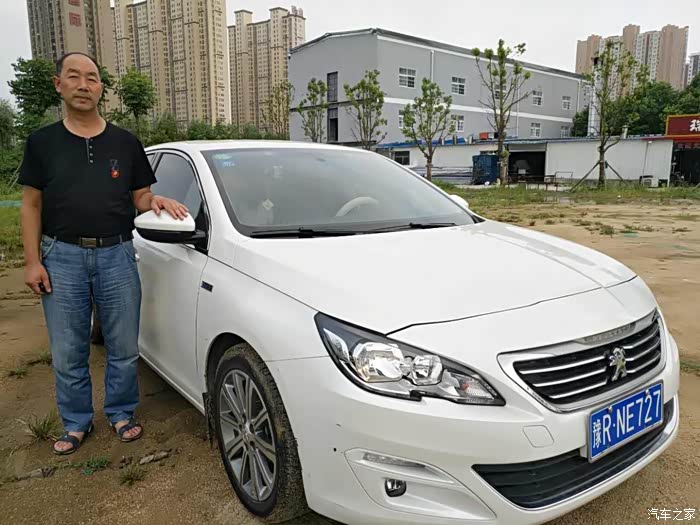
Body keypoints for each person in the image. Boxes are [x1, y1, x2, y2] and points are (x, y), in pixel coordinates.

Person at [19, 52, 188, 455]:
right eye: (74, 76)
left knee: (123, 346)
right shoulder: (42, 143)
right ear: (58, 84)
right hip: (62, 256)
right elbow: (31, 205)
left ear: (101, 88)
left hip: (117, 254)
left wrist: (155, 201)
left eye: (92, 78)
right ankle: (76, 422)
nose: (83, 85)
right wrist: (32, 261)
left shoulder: (125, 143)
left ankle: (121, 412)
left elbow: (140, 196)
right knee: (68, 350)